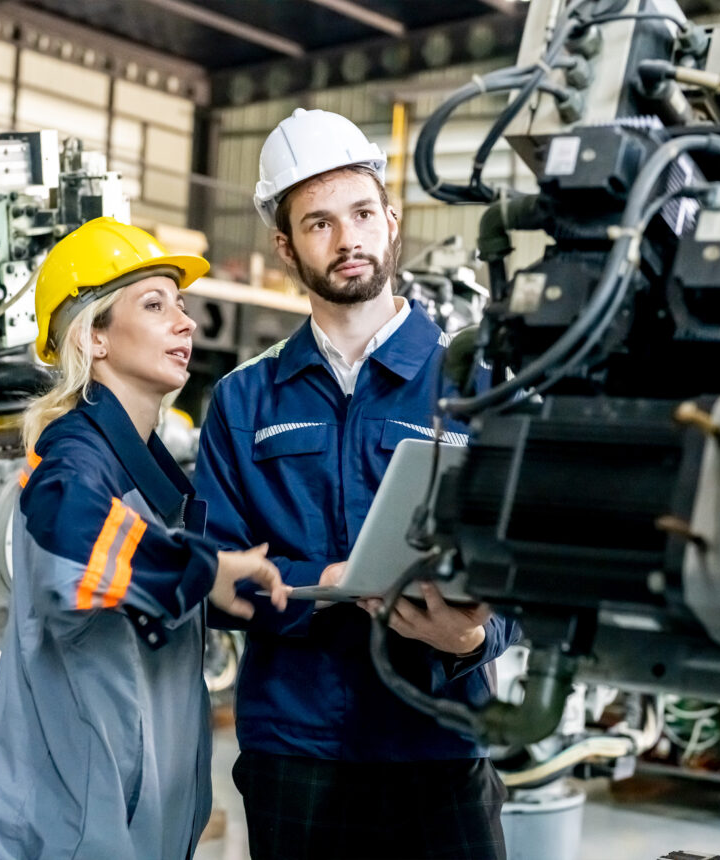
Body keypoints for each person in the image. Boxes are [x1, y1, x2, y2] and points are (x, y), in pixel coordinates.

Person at [193, 109, 518, 860]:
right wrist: (327, 584)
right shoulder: (246, 402)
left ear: (391, 220)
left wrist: (472, 639)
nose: (348, 240)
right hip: (295, 754)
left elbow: (528, 562)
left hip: (441, 746)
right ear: (285, 246)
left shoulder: (475, 383)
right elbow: (211, 576)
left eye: (363, 213)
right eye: (319, 224)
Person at [0, 218, 288, 860]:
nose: (185, 322)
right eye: (154, 303)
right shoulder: (75, 456)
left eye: (182, 304)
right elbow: (69, 534)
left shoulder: (148, 473)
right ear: (96, 338)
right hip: (69, 836)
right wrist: (201, 568)